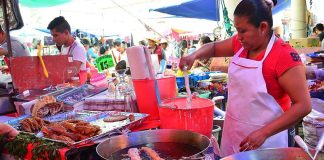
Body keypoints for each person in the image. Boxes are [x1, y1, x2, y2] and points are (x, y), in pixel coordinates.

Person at [179, 0, 311, 157]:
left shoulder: (284, 56)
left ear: (263, 27)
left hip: (268, 141)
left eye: (243, 31)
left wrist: (264, 133)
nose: (238, 37)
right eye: (237, 30)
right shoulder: (240, 44)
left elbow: (303, 105)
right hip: (234, 131)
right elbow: (214, 47)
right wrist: (194, 55)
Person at [47, 16, 87, 84]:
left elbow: (72, 73)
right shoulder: (63, 47)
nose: (53, 39)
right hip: (67, 87)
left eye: (55, 35)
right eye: (52, 36)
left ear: (66, 32)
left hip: (78, 90)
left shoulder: (78, 48)